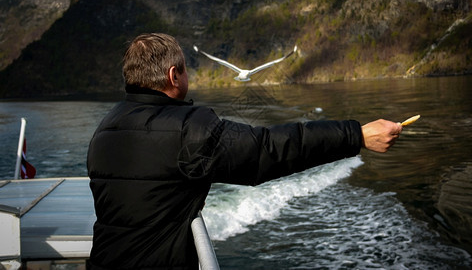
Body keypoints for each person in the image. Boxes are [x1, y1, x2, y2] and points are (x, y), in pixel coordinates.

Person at [87, 33, 402, 269]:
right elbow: (266, 150)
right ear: (174, 75)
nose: (187, 77)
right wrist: (356, 135)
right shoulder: (188, 128)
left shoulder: (105, 129)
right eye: (185, 70)